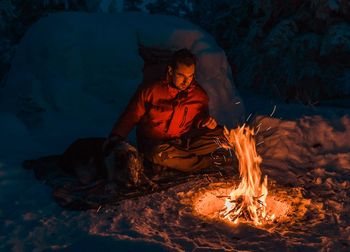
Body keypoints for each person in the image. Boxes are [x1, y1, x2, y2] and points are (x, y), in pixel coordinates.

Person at [105, 48, 234, 173]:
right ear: (171, 71)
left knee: (223, 134)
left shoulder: (198, 95)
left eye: (190, 76)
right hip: (155, 145)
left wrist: (205, 122)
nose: (186, 81)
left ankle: (178, 161)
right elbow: (130, 116)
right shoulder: (152, 90)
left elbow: (200, 118)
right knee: (157, 153)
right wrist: (116, 137)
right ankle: (208, 162)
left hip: (182, 142)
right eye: (181, 75)